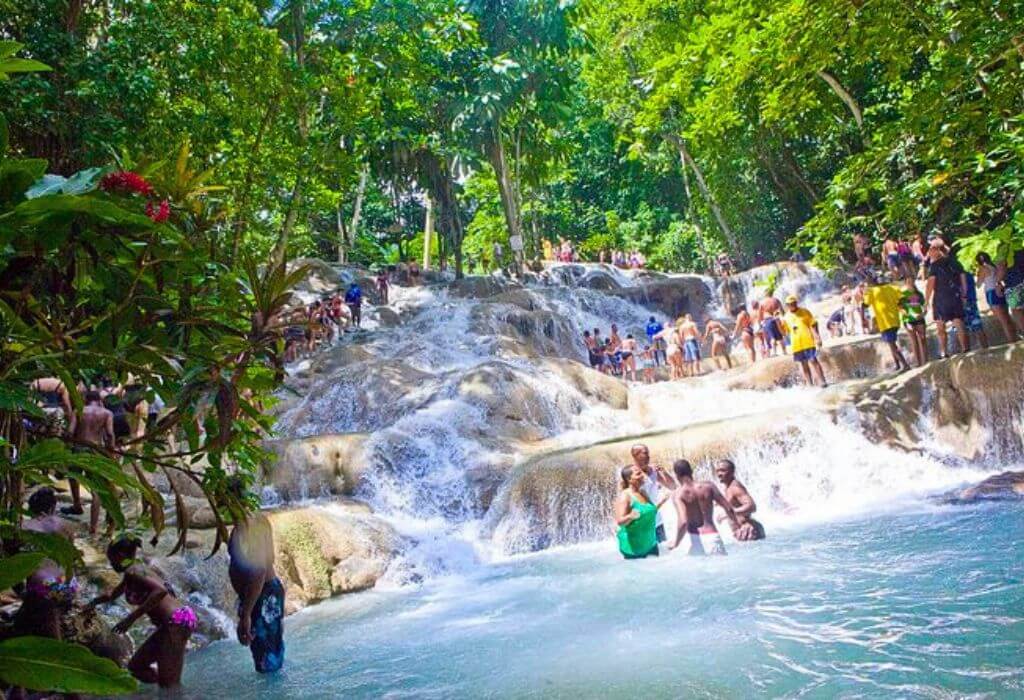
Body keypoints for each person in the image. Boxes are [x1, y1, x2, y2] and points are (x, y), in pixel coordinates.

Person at [89, 537, 196, 688]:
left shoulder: (135, 571)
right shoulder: (132, 572)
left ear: (120, 556)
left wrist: (130, 619)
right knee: (136, 667)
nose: (111, 564)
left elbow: (160, 591)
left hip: (176, 621)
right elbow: (112, 595)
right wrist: (92, 603)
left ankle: (171, 689)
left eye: (111, 560)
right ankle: (167, 689)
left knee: (170, 685)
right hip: (172, 623)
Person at [228, 478, 285, 673]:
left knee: (266, 660)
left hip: (263, 594)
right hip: (261, 594)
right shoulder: (249, 522)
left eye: (219, 499)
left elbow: (260, 569)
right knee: (266, 655)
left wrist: (246, 614)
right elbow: (270, 557)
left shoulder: (252, 524)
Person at [12, 488, 78, 642]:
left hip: (42, 590)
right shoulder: (66, 526)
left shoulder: (23, 528)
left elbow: (16, 563)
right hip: (69, 587)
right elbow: (71, 559)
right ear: (52, 508)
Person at [667, 460, 740, 555]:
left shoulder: (678, 494)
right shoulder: (709, 486)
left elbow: (683, 522)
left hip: (694, 539)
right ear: (691, 471)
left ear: (676, 475)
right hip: (713, 537)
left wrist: (676, 543)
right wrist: (737, 528)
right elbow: (729, 509)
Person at [67, 390, 115, 533]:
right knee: (96, 490)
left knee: (73, 477)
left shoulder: (78, 411)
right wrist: (110, 450)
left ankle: (77, 504)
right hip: (95, 451)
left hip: (78, 449)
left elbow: (70, 431)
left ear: (85, 399)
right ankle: (93, 527)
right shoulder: (107, 413)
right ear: (99, 400)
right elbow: (110, 434)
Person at [925, 242, 968, 357]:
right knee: (958, 322)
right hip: (955, 295)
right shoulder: (955, 262)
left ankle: (944, 351)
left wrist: (926, 300)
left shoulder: (935, 266)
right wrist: (964, 294)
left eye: (930, 249)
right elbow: (963, 277)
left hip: (941, 298)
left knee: (940, 326)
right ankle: (965, 348)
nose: (929, 252)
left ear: (937, 250)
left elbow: (931, 283)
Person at [614, 465, 666, 559]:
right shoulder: (625, 496)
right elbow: (620, 521)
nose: (643, 475)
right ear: (629, 479)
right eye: (638, 474)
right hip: (633, 550)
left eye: (641, 472)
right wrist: (630, 516)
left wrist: (662, 501)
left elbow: (651, 512)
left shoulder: (643, 492)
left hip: (651, 545)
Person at [861, 277, 911, 372]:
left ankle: (905, 364)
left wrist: (863, 319)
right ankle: (897, 365)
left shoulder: (872, 291)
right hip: (895, 320)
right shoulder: (893, 288)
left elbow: (864, 305)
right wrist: (904, 312)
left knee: (892, 345)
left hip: (885, 322)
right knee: (891, 343)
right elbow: (903, 299)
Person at [781, 295, 827, 387]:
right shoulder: (785, 317)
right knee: (803, 364)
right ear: (787, 305)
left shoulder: (805, 312)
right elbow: (784, 332)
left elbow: (813, 324)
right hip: (796, 344)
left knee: (813, 360)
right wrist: (779, 324)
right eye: (790, 304)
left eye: (793, 303)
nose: (792, 305)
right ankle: (810, 384)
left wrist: (817, 337)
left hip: (808, 341)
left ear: (796, 302)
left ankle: (822, 381)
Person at [714, 460, 765, 541]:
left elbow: (752, 506)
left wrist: (729, 513)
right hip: (742, 532)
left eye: (723, 470)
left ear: (732, 472)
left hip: (748, 531)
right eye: (717, 471)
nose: (719, 474)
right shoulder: (728, 487)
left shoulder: (735, 487)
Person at [976, 252, 1018, 344]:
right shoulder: (994, 266)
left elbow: (978, 285)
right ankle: (1016, 337)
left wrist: (978, 274)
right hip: (1000, 289)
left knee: (1003, 320)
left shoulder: (982, 268)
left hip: (991, 293)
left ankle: (1011, 341)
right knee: (1007, 317)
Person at [900, 276, 929, 367]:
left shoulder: (919, 294)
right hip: (908, 320)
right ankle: (918, 362)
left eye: (912, 281)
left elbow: (924, 306)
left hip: (919, 319)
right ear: (905, 282)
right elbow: (900, 308)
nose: (910, 283)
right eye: (908, 281)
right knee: (914, 341)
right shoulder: (902, 294)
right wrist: (909, 315)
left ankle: (925, 361)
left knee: (923, 339)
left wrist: (923, 314)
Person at [996, 246, 1024, 336]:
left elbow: (1002, 268)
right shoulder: (1020, 244)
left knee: (1016, 309)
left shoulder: (1003, 248)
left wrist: (997, 282)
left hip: (1013, 284)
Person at [962, 269, 989, 350]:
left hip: (966, 302)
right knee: (976, 326)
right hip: (971, 301)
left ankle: (983, 348)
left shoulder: (959, 274)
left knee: (969, 328)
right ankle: (984, 348)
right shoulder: (967, 273)